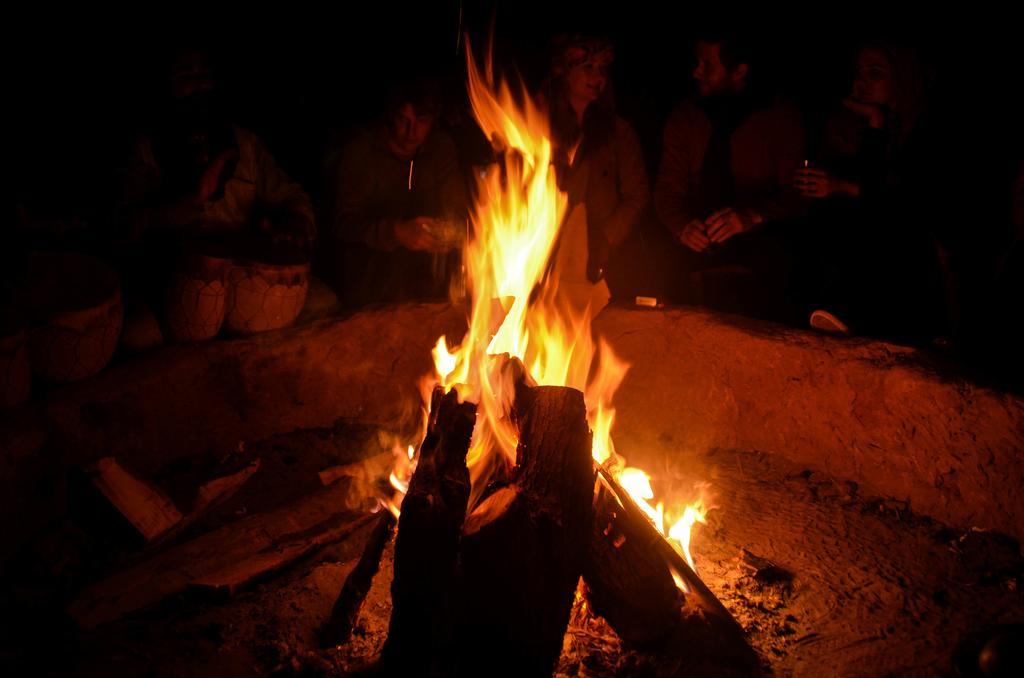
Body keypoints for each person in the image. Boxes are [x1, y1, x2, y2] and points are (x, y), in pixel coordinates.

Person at [794, 42, 946, 342]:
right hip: (871, 238)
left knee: (875, 219)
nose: (861, 83)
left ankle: (853, 310)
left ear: (901, 77)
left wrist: (841, 185)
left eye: (875, 73)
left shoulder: (929, 130)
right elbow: (868, 181)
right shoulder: (854, 126)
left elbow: (906, 202)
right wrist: (874, 125)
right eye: (858, 73)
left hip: (915, 248)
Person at [654, 32, 805, 317]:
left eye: (707, 65)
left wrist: (751, 216)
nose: (696, 72)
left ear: (739, 71)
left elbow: (797, 194)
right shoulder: (686, 116)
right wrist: (682, 226)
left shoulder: (778, 115)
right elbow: (667, 189)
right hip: (698, 244)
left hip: (763, 246)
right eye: (696, 62)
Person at [119, 49, 315, 250]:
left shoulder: (245, 145)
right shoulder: (145, 148)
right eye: (185, 75)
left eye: (205, 75)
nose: (199, 85)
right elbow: (124, 226)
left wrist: (295, 221)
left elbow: (290, 196)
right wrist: (191, 199)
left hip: (238, 271)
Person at [324, 77, 466, 306]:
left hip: (425, 287)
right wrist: (397, 232)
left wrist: (448, 231)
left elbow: (457, 208)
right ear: (390, 114)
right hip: (367, 288)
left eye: (421, 120)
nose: (412, 131)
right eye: (403, 119)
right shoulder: (362, 151)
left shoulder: (441, 150)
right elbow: (341, 223)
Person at [543, 34, 650, 311]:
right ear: (563, 71)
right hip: (544, 257)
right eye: (588, 67)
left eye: (602, 69)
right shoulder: (535, 127)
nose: (597, 76)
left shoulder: (618, 134)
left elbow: (636, 196)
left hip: (599, 261)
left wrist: (605, 239)